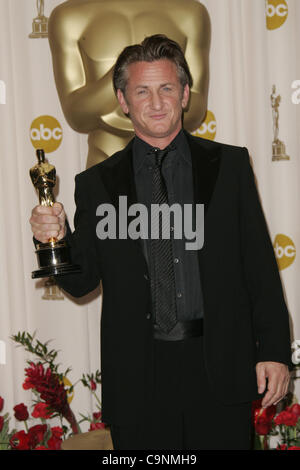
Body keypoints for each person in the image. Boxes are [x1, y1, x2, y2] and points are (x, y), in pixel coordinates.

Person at [30, 34, 292, 450]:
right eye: (142, 91)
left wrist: (275, 350)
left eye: (167, 88)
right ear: (123, 100)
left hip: (221, 367)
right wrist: (52, 239)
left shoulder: (230, 165)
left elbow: (258, 264)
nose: (156, 102)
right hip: (140, 377)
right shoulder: (96, 184)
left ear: (185, 94)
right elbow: (82, 282)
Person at [48, 0, 210, 168]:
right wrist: (130, 71)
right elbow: (77, 116)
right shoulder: (69, 17)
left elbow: (195, 110)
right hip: (107, 156)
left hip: (173, 157)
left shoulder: (190, 13)